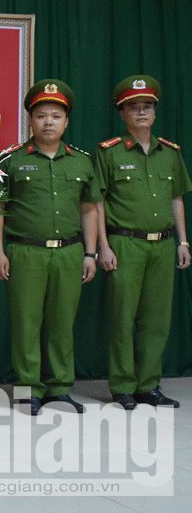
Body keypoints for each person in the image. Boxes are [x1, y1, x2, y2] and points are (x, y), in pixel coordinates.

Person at [0, 79, 97, 416]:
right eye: (41, 115)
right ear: (30, 121)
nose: (48, 122)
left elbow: (89, 208)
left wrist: (90, 253)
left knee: (63, 322)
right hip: (25, 252)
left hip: (69, 252)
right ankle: (28, 389)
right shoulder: (12, 160)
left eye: (56, 115)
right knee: (26, 322)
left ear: (67, 122)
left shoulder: (81, 161)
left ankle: (60, 388)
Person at [92, 75, 191, 409]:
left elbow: (176, 198)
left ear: (156, 112)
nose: (142, 112)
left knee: (157, 319)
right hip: (125, 244)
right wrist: (102, 247)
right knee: (122, 317)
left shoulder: (171, 153)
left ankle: (149, 385)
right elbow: (97, 203)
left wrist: (183, 241)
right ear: (123, 114)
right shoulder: (109, 152)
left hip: (162, 245)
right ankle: (122, 387)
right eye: (134, 107)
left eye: (147, 106)